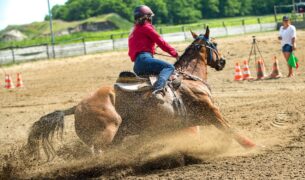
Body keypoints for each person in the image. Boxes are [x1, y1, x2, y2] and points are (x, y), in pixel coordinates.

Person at [128, 5, 179, 103]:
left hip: (137, 65)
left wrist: (148, 50)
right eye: (150, 16)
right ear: (147, 17)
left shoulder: (134, 30)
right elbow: (161, 42)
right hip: (145, 60)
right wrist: (175, 53)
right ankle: (158, 90)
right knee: (169, 67)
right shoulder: (146, 27)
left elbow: (134, 50)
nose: (151, 18)